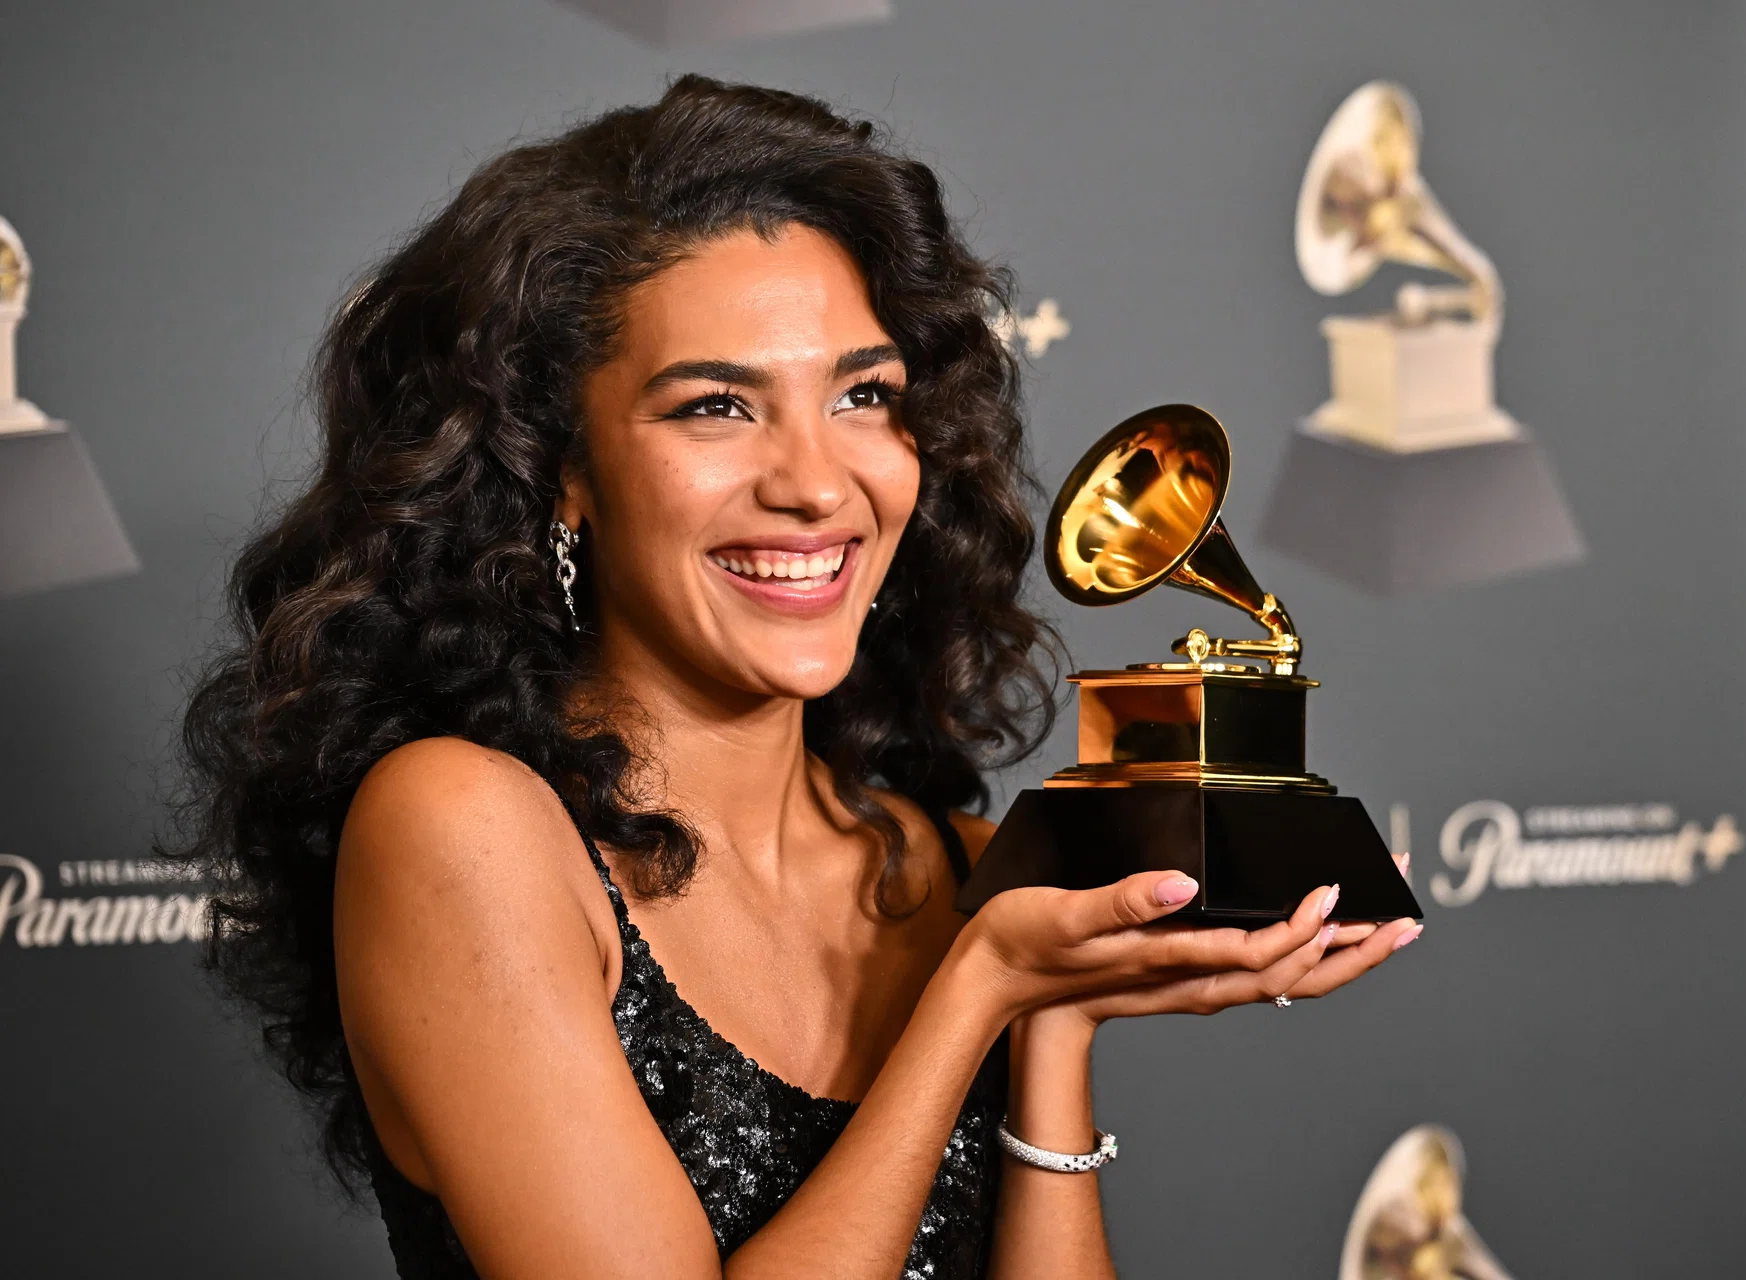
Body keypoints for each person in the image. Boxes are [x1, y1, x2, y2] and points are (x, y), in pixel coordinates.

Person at [175, 75, 1421, 1280]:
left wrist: (1053, 1019)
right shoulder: (465, 829)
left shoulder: (948, 855)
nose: (820, 484)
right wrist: (976, 988)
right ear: (558, 465)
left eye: (864, 395)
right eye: (717, 406)